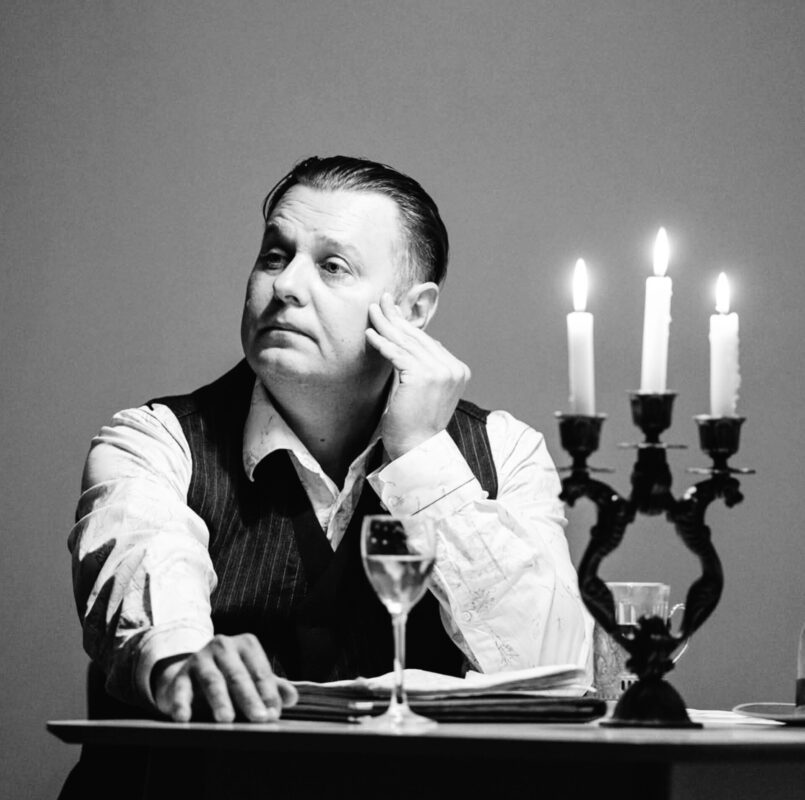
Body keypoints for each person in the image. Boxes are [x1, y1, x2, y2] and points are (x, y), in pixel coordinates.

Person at [68, 155, 593, 727]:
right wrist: (181, 662)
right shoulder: (153, 442)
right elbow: (144, 581)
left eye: (333, 266)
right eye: (274, 256)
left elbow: (559, 671)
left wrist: (421, 454)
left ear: (413, 311)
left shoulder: (506, 451)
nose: (285, 285)